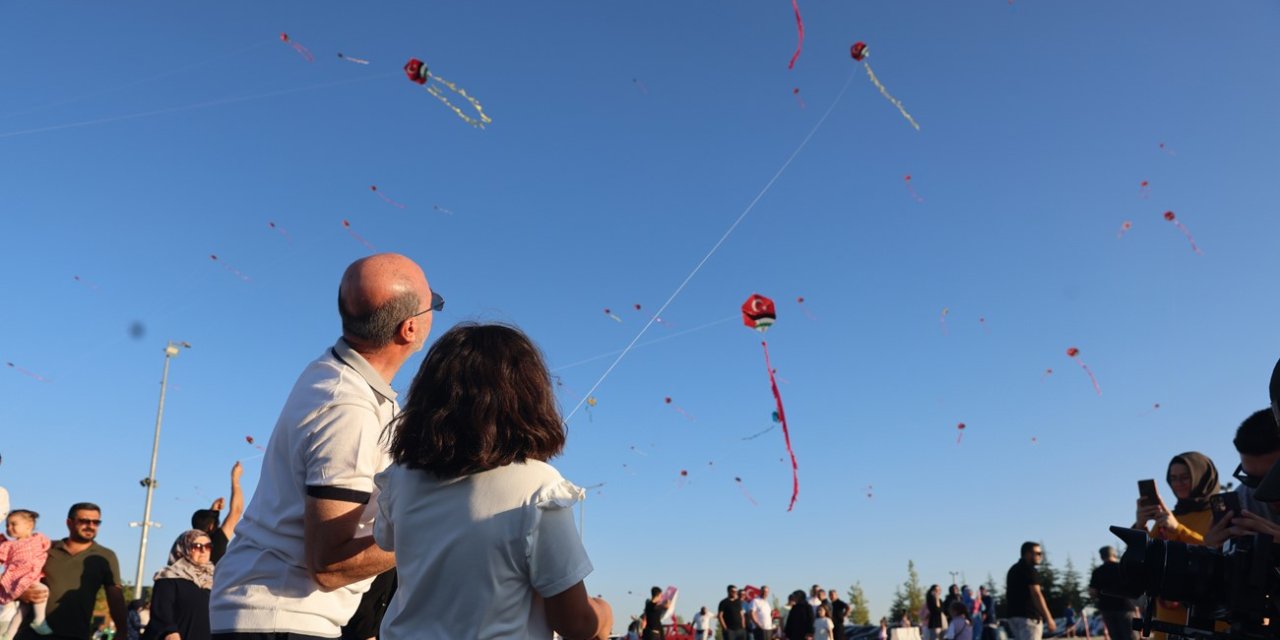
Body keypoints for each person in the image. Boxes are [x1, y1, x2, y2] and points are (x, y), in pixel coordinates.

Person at [210, 254, 436, 640]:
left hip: (274, 614)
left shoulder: (340, 376)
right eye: (436, 304)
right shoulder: (348, 408)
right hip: (280, 617)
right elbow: (329, 564)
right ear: (409, 329)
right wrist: (435, 533)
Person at [372, 323, 612, 640]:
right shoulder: (538, 487)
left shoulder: (400, 480)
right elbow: (575, 623)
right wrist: (603, 614)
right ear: (529, 399)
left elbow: (386, 541)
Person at [1134, 452, 1218, 640]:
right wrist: (1140, 526)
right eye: (1173, 479)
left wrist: (1178, 529)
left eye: (1185, 477)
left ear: (1201, 476)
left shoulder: (1218, 514)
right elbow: (1140, 560)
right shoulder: (1168, 518)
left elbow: (1218, 554)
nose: (1178, 483)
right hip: (1168, 617)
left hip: (1210, 615)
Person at [14, 503, 129, 640]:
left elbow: (115, 597)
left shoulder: (106, 556)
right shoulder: (44, 547)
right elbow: (11, 577)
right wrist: (20, 593)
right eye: (84, 521)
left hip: (75, 634)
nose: (91, 526)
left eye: (96, 522)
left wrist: (122, 631)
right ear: (69, 523)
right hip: (31, 633)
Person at [144, 531, 214, 640]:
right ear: (183, 548)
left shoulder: (214, 580)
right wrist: (170, 632)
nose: (203, 550)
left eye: (208, 546)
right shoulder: (168, 578)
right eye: (197, 546)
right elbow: (162, 614)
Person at [1, 509, 51, 639]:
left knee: (23, 609)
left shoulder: (39, 538)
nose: (9, 528)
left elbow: (47, 548)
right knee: (42, 590)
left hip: (33, 575)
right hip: (19, 578)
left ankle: (8, 634)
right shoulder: (8, 545)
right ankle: (39, 620)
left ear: (29, 525)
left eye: (13, 524)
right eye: (7, 525)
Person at [188, 462, 244, 565]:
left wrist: (214, 511)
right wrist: (235, 479)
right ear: (210, 526)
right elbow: (236, 511)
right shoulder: (215, 542)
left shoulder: (187, 545)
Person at [1006, 542, 1055, 640]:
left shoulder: (1013, 569)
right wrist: (1049, 618)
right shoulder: (1030, 570)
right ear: (1027, 554)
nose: (1040, 556)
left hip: (1013, 617)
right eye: (1037, 553)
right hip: (1029, 618)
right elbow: (1036, 594)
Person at [1088, 547, 1137, 640]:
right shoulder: (1122, 567)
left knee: (1115, 637)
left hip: (1106, 608)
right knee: (1130, 636)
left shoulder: (1097, 572)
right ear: (1114, 554)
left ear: (1101, 557)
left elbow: (1092, 591)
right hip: (1124, 607)